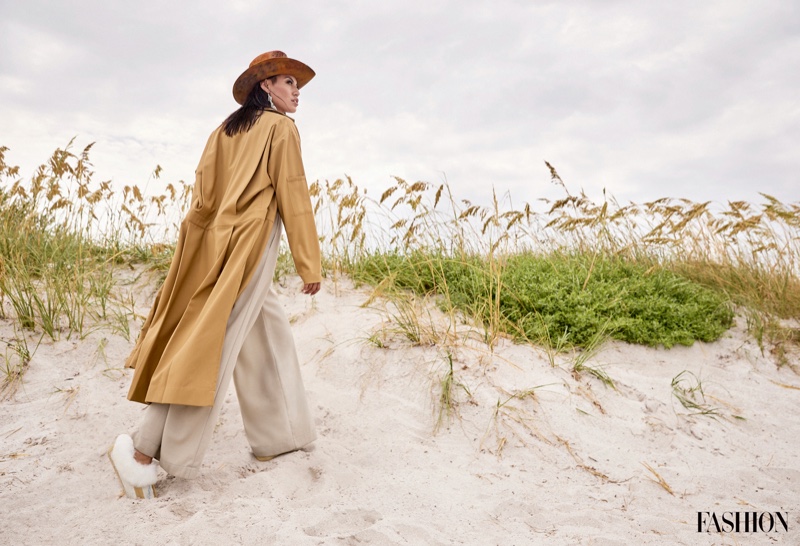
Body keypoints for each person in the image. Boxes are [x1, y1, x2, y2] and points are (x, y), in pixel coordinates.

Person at [107, 51, 322, 499]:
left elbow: (202, 197)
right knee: (215, 344)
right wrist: (309, 264)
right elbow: (294, 196)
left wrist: (201, 249)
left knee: (267, 331)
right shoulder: (281, 129)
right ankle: (144, 452)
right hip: (249, 248)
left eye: (297, 84)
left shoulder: (223, 130)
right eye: (287, 82)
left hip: (214, 246)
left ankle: (278, 436)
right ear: (265, 86)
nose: (296, 91)